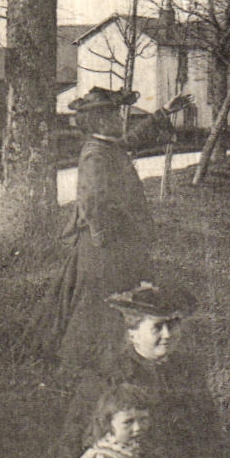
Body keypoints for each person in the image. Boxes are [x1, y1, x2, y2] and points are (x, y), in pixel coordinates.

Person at [63, 283, 223, 458]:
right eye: (158, 327)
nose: (168, 335)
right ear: (132, 333)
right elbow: (75, 438)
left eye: (173, 324)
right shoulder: (108, 374)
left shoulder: (187, 370)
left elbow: (208, 428)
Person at [50, 87, 157, 374]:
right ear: (98, 121)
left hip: (111, 239)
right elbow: (91, 202)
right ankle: (81, 365)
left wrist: (165, 113)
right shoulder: (95, 154)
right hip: (103, 243)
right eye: (112, 113)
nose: (119, 118)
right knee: (99, 302)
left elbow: (132, 140)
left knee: (112, 299)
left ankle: (112, 358)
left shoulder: (108, 145)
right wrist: (103, 239)